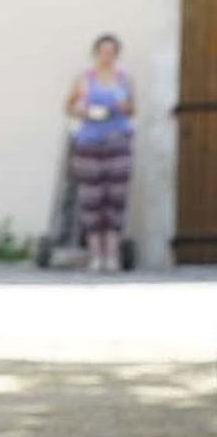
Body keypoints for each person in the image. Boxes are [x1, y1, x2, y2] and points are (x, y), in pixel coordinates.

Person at [65, 33, 137, 273]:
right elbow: (69, 106)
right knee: (92, 199)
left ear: (116, 54)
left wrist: (124, 107)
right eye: (103, 51)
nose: (107, 56)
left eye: (111, 52)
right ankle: (96, 255)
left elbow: (132, 109)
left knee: (116, 198)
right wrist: (83, 111)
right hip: (89, 144)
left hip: (118, 142)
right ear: (96, 53)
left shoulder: (124, 79)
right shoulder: (84, 79)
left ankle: (112, 255)